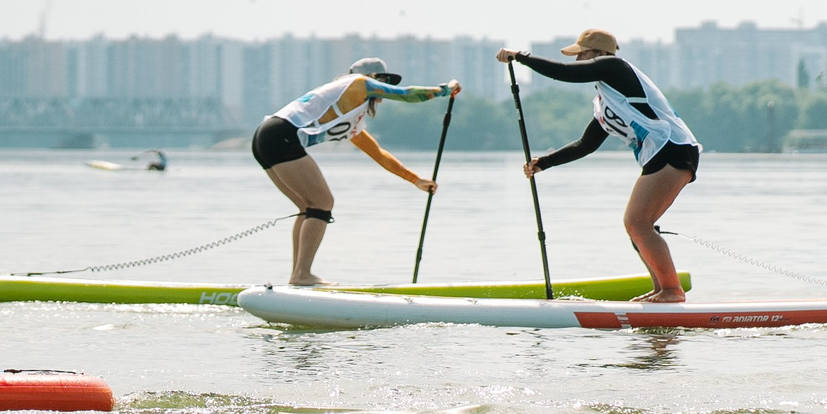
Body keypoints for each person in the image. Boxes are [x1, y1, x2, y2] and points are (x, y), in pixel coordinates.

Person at [496, 29, 697, 303]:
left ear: (600, 53)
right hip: (661, 154)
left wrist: (520, 57)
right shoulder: (606, 99)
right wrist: (544, 163)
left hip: (673, 148)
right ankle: (662, 289)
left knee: (636, 223)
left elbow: (563, 73)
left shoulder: (615, 67)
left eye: (582, 54)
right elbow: (585, 144)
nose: (578, 59)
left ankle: (672, 291)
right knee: (638, 227)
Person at [252, 59, 458, 286]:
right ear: (372, 77)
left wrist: (415, 180)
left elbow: (379, 154)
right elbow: (407, 95)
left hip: (265, 137)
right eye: (384, 80)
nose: (386, 87)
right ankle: (302, 275)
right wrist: (444, 90)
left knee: (308, 207)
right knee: (323, 202)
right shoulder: (359, 83)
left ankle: (297, 276)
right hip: (280, 135)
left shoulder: (349, 115)